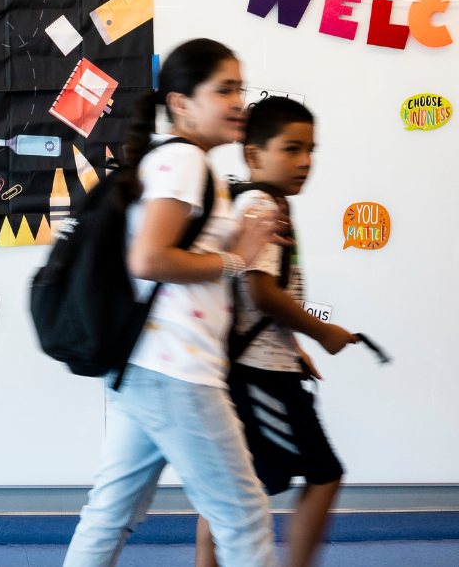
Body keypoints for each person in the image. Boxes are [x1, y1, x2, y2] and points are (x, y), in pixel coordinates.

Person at [63, 39, 284, 567]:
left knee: (109, 515)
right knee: (245, 515)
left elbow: (175, 261)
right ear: (182, 103)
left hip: (141, 368)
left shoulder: (176, 162)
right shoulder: (186, 161)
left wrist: (234, 245)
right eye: (224, 89)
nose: (238, 102)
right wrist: (236, 259)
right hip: (178, 370)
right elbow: (150, 259)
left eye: (240, 88)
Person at [195, 96, 359, 567]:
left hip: (260, 365)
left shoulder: (260, 200)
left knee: (235, 483)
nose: (305, 161)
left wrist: (293, 346)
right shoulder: (263, 206)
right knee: (323, 475)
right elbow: (261, 292)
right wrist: (322, 333)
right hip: (260, 375)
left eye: (310, 150)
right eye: (291, 149)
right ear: (253, 154)